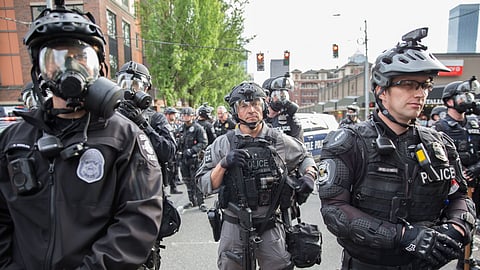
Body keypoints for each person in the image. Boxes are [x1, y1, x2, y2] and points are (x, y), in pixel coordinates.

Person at [0, 2, 164, 269]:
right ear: (40, 70)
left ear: (99, 68)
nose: (69, 67)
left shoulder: (125, 136)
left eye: (80, 57)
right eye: (55, 58)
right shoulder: (13, 141)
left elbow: (139, 217)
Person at [317, 27, 476, 270]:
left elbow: (460, 197)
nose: (420, 94)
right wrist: (404, 237)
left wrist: (456, 228)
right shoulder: (350, 142)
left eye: (425, 85)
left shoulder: (441, 143)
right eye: (409, 84)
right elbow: (335, 211)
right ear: (381, 91)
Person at [196, 81, 318, 270]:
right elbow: (203, 183)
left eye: (255, 104)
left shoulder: (279, 140)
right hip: (234, 223)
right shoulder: (222, 144)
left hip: (270, 223)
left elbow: (305, 158)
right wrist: (223, 164)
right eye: (244, 105)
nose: (251, 110)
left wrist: (309, 176)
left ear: (263, 106)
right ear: (236, 111)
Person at [431, 79, 480, 269]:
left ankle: (468, 259)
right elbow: (437, 159)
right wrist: (459, 174)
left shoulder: (476, 123)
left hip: (477, 179)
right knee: (462, 220)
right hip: (456, 184)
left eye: (469, 95)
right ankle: (463, 258)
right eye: (463, 96)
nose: (467, 99)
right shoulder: (440, 128)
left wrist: (475, 170)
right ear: (449, 101)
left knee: (474, 222)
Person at [116, 61, 177, 193]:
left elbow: (169, 152)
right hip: (118, 189)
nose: (129, 89)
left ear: (145, 88)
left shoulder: (155, 118)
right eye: (124, 83)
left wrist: (143, 124)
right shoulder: (110, 115)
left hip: (148, 189)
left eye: (135, 85)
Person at [177, 107, 208, 212]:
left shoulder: (198, 128)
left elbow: (203, 142)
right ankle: (192, 201)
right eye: (184, 115)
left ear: (192, 116)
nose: (185, 117)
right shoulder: (180, 129)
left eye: (188, 115)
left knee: (197, 181)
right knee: (187, 180)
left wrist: (193, 150)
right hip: (183, 160)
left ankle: (201, 202)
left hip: (194, 159)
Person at [263, 73, 304, 142]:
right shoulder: (259, 119)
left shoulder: (290, 119)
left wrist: (293, 120)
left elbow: (299, 146)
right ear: (267, 97)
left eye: (284, 96)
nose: (282, 100)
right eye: (277, 95)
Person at [164, 107, 183, 194]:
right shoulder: (164, 125)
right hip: (168, 151)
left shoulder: (174, 125)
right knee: (168, 171)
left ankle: (173, 188)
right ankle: (164, 190)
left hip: (175, 151)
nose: (174, 116)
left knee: (174, 169)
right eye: (173, 114)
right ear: (167, 115)